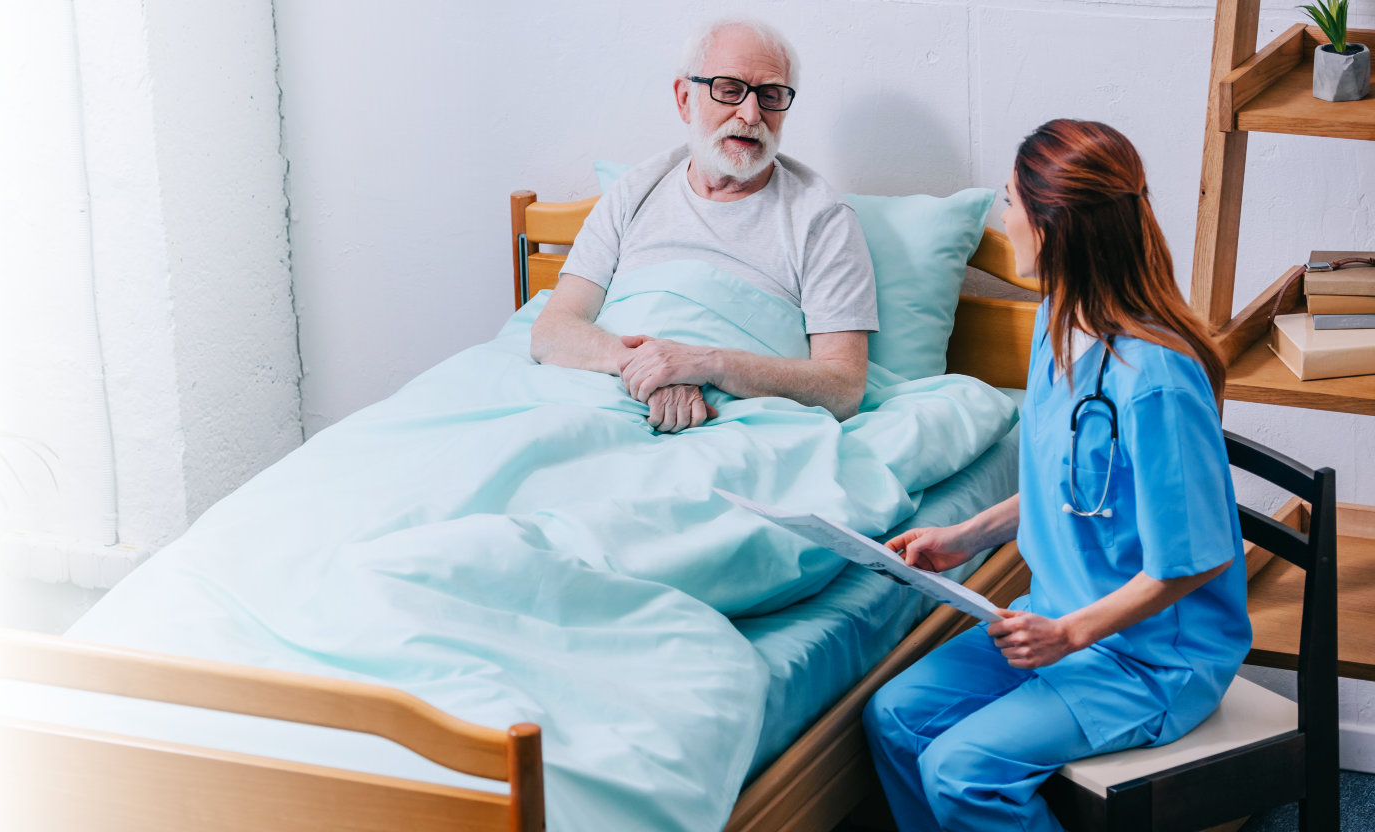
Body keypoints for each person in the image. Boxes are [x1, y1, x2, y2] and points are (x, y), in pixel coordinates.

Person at [861, 119, 1249, 832]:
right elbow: (1059, 478)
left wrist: (1068, 636)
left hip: (1149, 661)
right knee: (895, 718)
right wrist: (962, 536)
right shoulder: (1055, 323)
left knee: (961, 770)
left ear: (1054, 227)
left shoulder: (1156, 379)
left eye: (1010, 203)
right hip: (1056, 614)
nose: (1002, 219)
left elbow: (1192, 562)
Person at [530, 16, 879, 429]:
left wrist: (705, 364)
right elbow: (552, 332)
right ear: (684, 98)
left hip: (740, 426)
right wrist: (652, 368)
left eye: (770, 96)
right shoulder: (634, 191)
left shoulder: (822, 219)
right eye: (730, 90)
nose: (751, 114)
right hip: (599, 404)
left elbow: (843, 387)